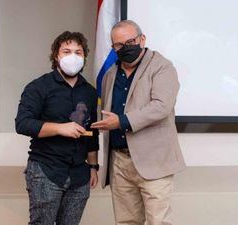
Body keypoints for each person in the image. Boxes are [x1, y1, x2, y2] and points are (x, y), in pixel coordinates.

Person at [91, 20, 186, 225]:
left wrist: (122, 121)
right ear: (113, 47)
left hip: (154, 161)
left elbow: (161, 106)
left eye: (130, 41)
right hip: (120, 162)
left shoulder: (162, 67)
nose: (125, 48)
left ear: (142, 39)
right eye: (118, 45)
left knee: (158, 222)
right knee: (126, 222)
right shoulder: (109, 75)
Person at [15, 31, 99, 225]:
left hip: (80, 174)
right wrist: (60, 128)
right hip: (46, 170)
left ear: (84, 57)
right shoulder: (38, 87)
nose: (73, 56)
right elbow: (22, 123)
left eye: (78, 52)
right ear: (56, 55)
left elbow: (92, 133)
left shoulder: (90, 92)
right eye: (67, 51)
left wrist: (93, 166)